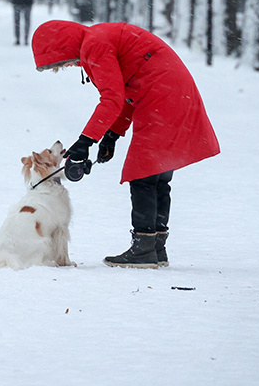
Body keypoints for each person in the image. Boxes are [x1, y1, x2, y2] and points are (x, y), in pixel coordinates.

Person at [31, 20, 220, 269]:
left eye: (61, 63)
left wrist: (85, 141)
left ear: (63, 46)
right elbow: (126, 90)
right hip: (169, 89)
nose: (66, 66)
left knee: (143, 173)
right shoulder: (97, 39)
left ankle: (144, 249)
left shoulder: (94, 45)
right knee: (158, 174)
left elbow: (112, 98)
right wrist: (112, 134)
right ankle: (155, 247)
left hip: (160, 94)